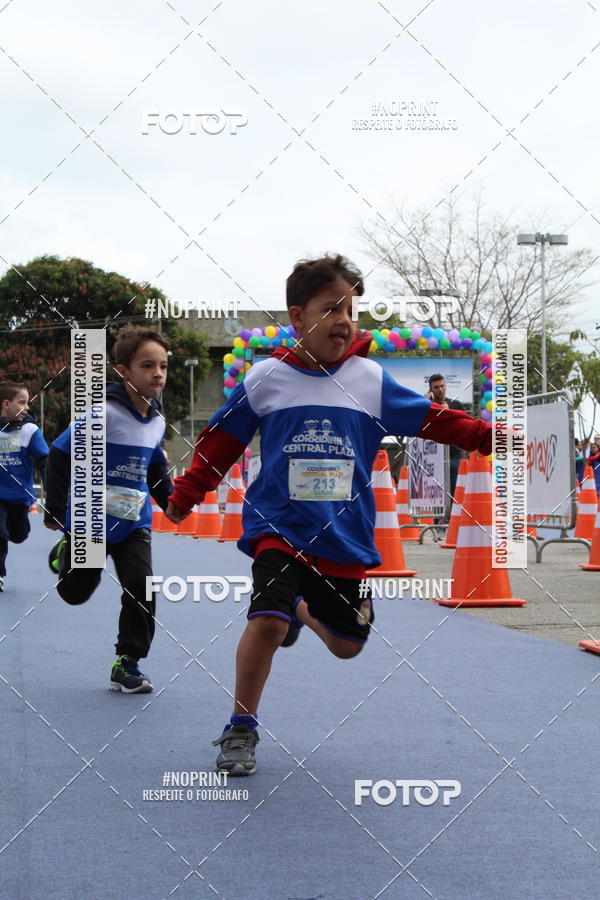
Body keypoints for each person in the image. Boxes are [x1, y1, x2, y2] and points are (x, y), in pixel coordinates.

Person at [166, 254, 493, 776]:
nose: (345, 320)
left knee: (348, 645)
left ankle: (299, 607)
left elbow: (431, 419)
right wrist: (186, 494)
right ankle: (240, 728)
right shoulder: (266, 378)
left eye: (353, 310)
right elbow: (218, 443)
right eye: (331, 308)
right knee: (265, 619)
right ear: (298, 317)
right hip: (279, 525)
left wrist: (485, 435)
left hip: (344, 533)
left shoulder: (368, 378)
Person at [44, 327, 172, 692]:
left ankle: (127, 663)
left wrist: (172, 502)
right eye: (147, 365)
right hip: (91, 520)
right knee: (74, 593)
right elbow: (59, 453)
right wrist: (55, 508)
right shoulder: (103, 414)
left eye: (163, 365)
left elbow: (154, 468)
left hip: (134, 522)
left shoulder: (159, 421)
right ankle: (68, 552)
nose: (158, 373)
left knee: (142, 586)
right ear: (123, 371)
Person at [0, 382, 49, 592]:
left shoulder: (30, 430)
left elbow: (45, 460)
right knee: (0, 534)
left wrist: (52, 489)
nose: (27, 407)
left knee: (18, 535)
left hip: (19, 496)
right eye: (22, 402)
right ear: (6, 404)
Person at [423, 374, 465, 501]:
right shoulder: (426, 406)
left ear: (446, 386)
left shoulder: (456, 405)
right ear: (431, 390)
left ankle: (453, 519)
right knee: (436, 494)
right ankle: (437, 521)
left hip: (454, 455)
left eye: (442, 386)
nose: (440, 389)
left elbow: (464, 427)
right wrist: (425, 403)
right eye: (436, 387)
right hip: (434, 457)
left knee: (455, 492)